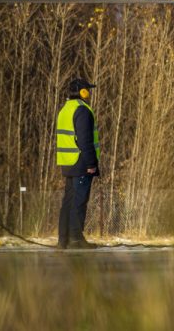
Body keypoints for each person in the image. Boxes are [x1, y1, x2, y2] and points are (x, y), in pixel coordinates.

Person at [56, 78, 100, 249]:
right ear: (82, 92)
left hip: (68, 163)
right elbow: (85, 140)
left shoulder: (65, 110)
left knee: (68, 201)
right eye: (87, 89)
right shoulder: (82, 110)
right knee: (79, 202)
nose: (88, 92)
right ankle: (75, 239)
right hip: (81, 162)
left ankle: (63, 239)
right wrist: (91, 163)